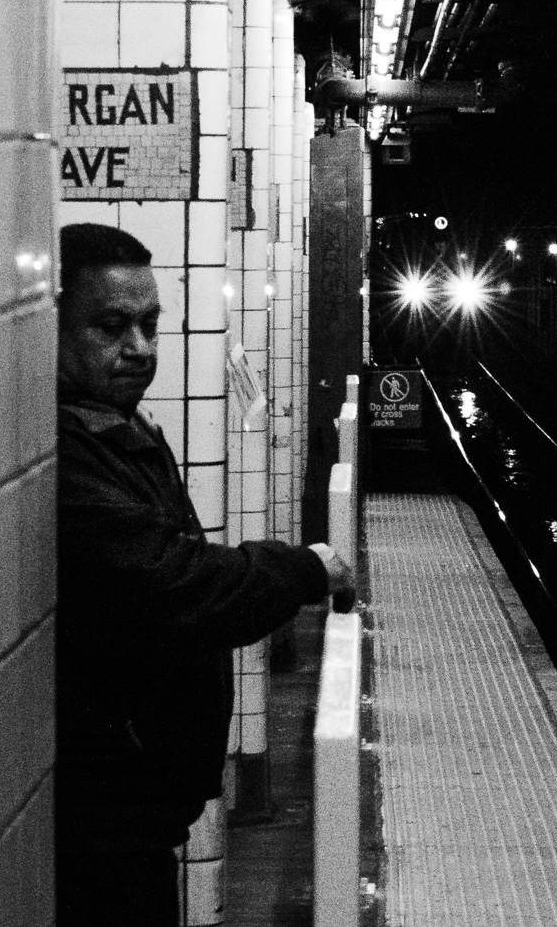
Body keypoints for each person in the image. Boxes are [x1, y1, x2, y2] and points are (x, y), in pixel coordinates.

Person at [54, 223, 355, 926]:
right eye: (110, 326)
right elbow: (178, 582)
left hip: (135, 814)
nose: (139, 348)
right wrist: (307, 568)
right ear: (49, 324)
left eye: (149, 325)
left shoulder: (115, 432)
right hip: (100, 821)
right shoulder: (63, 454)